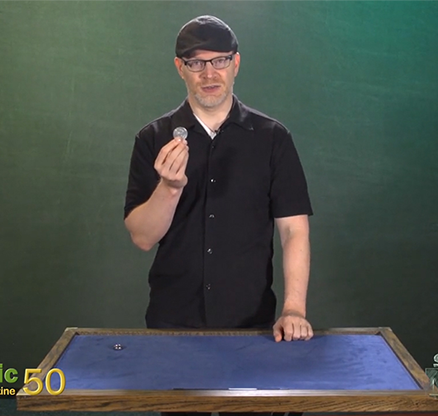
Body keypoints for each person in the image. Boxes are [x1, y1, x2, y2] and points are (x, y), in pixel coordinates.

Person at [124, 15, 313, 343]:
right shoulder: (152, 139)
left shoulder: (272, 139)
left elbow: (293, 230)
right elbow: (142, 237)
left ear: (235, 63)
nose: (209, 74)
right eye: (196, 63)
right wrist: (169, 187)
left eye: (220, 61)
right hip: (171, 323)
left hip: (252, 325)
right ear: (180, 68)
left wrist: (294, 309)